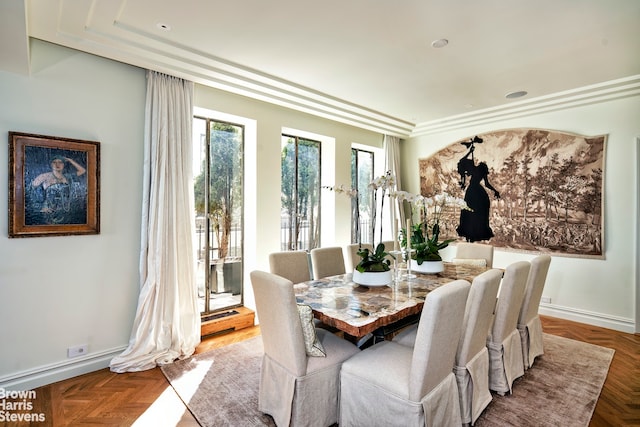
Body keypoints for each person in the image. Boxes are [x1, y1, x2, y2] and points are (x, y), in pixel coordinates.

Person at [456, 145, 500, 242]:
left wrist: (495, 190)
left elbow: (462, 161)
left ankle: (474, 233)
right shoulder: (476, 169)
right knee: (472, 212)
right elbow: (462, 161)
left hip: (473, 191)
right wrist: (495, 191)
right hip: (474, 192)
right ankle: (472, 233)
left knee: (475, 212)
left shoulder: (475, 169)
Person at [28, 155, 87, 225]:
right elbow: (30, 191)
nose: (57, 164)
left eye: (60, 162)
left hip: (66, 212)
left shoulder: (68, 177)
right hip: (50, 213)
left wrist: (70, 160)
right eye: (54, 162)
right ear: (51, 164)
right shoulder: (44, 176)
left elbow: (83, 170)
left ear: (63, 165)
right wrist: (40, 207)